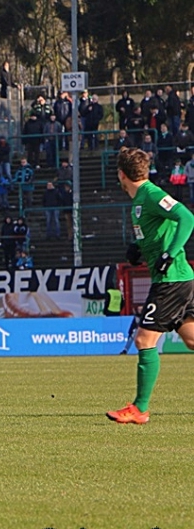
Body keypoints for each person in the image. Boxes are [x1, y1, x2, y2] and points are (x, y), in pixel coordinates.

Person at [107, 147, 194, 424]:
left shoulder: (152, 194)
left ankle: (139, 408)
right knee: (191, 339)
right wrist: (138, 247)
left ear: (121, 174)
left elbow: (187, 218)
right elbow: (157, 230)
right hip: (177, 279)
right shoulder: (140, 200)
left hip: (171, 281)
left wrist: (169, 254)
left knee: (144, 339)